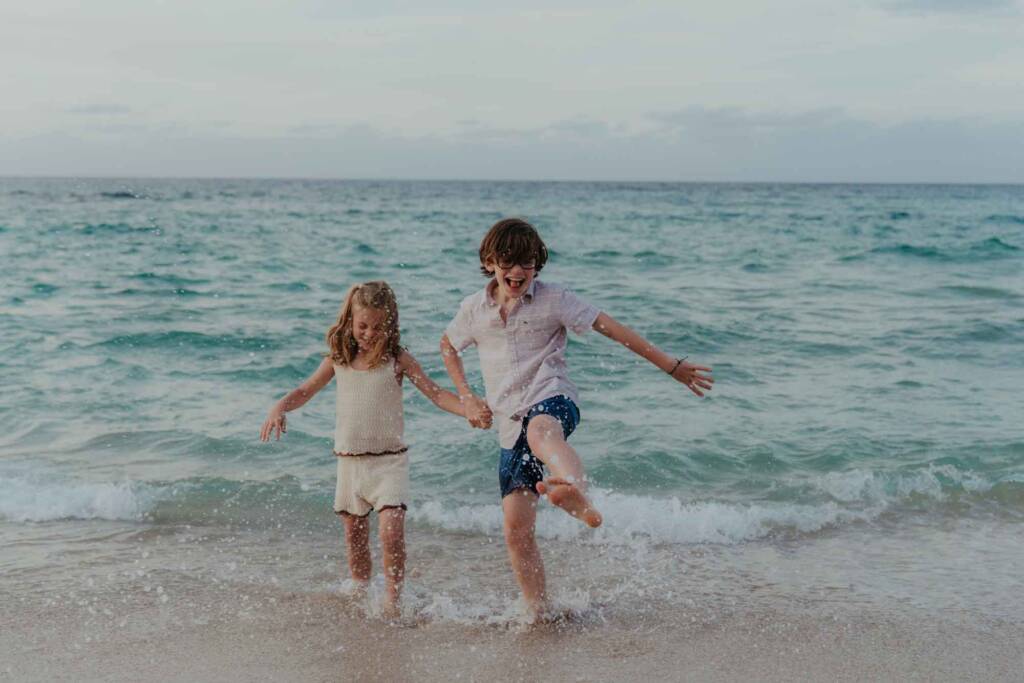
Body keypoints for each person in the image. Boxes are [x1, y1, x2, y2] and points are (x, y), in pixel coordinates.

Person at [440, 218, 712, 619]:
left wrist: (671, 365)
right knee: (516, 530)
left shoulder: (555, 299)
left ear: (538, 265)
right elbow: (448, 345)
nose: (518, 272)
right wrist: (466, 396)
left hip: (553, 398)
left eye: (528, 264)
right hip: (507, 422)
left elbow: (612, 329)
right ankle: (539, 611)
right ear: (490, 262)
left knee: (541, 433)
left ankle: (573, 487)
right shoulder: (473, 309)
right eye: (509, 263)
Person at [260, 281, 489, 617]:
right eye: (362, 325)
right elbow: (305, 390)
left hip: (389, 464)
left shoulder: (397, 360)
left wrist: (468, 408)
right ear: (351, 321)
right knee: (355, 538)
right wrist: (279, 406)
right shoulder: (338, 359)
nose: (367, 333)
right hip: (350, 465)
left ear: (390, 325)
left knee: (391, 531)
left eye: (377, 326)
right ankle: (360, 591)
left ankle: (393, 600)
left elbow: (437, 394)